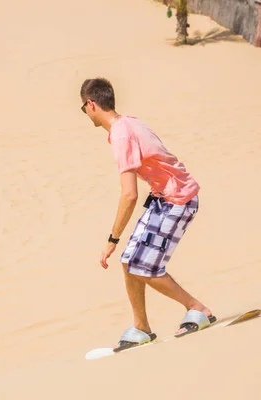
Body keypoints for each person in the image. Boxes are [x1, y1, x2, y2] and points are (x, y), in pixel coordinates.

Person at [79, 77, 216, 351]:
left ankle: (199, 309)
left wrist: (112, 239)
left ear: (91, 104)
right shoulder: (128, 122)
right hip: (162, 197)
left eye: (83, 108)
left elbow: (129, 195)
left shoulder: (121, 134)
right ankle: (141, 328)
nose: (85, 113)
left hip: (178, 199)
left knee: (145, 268)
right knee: (130, 262)